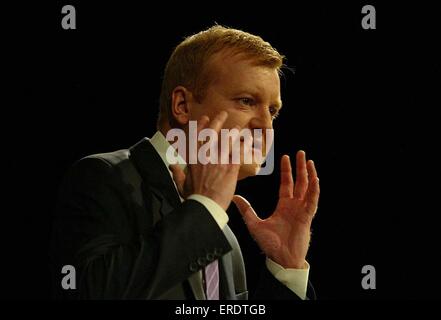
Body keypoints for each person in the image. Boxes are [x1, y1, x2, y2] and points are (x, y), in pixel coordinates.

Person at [50, 25, 320, 300]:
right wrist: (205, 210)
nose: (265, 126)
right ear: (182, 105)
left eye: (272, 111)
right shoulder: (104, 178)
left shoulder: (222, 235)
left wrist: (286, 268)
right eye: (246, 101)